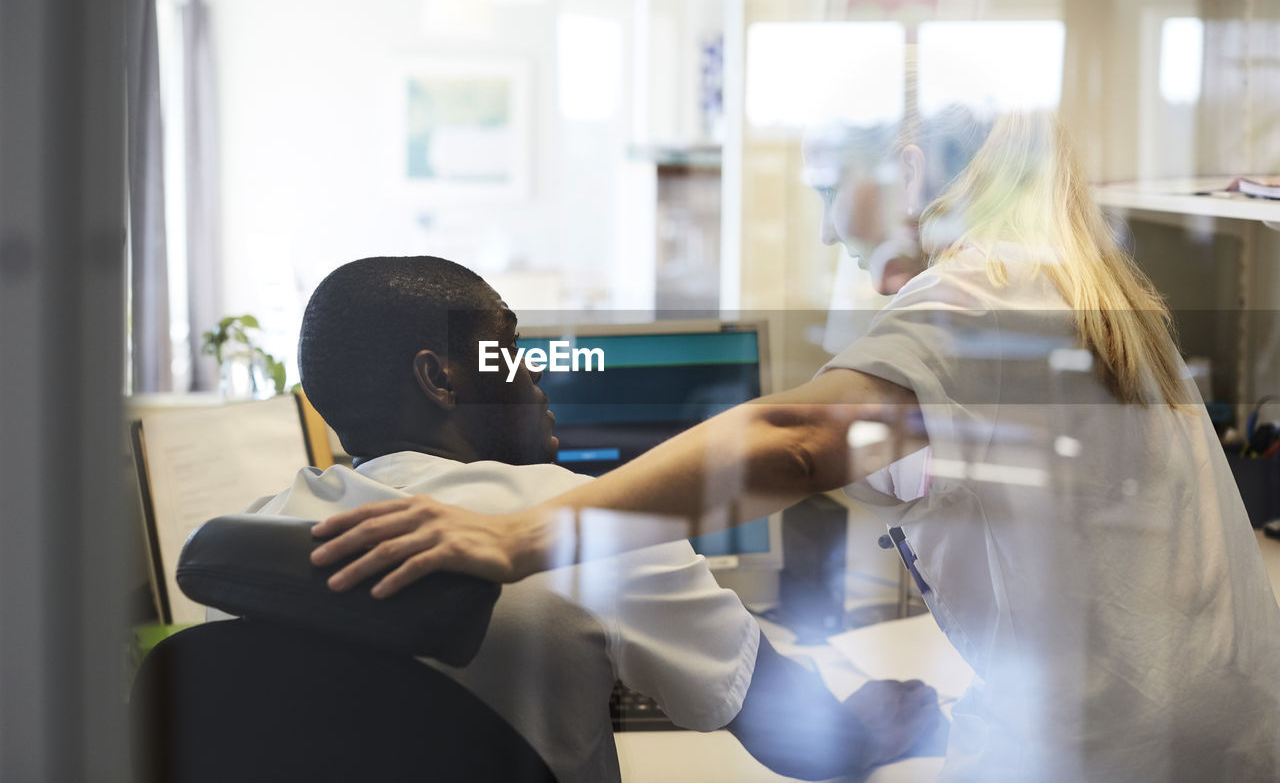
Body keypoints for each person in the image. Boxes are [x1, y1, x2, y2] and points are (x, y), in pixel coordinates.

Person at [310, 111, 1280, 782]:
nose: (822, 227)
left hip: (1102, 750)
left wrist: (524, 533)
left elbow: (802, 439)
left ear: (903, 172)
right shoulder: (1066, 289)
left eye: (827, 189)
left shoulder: (991, 288)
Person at [256, 255, 944, 783]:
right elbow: (793, 732)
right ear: (439, 378)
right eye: (509, 348)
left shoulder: (246, 546)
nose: (534, 374)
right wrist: (867, 730)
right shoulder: (581, 525)